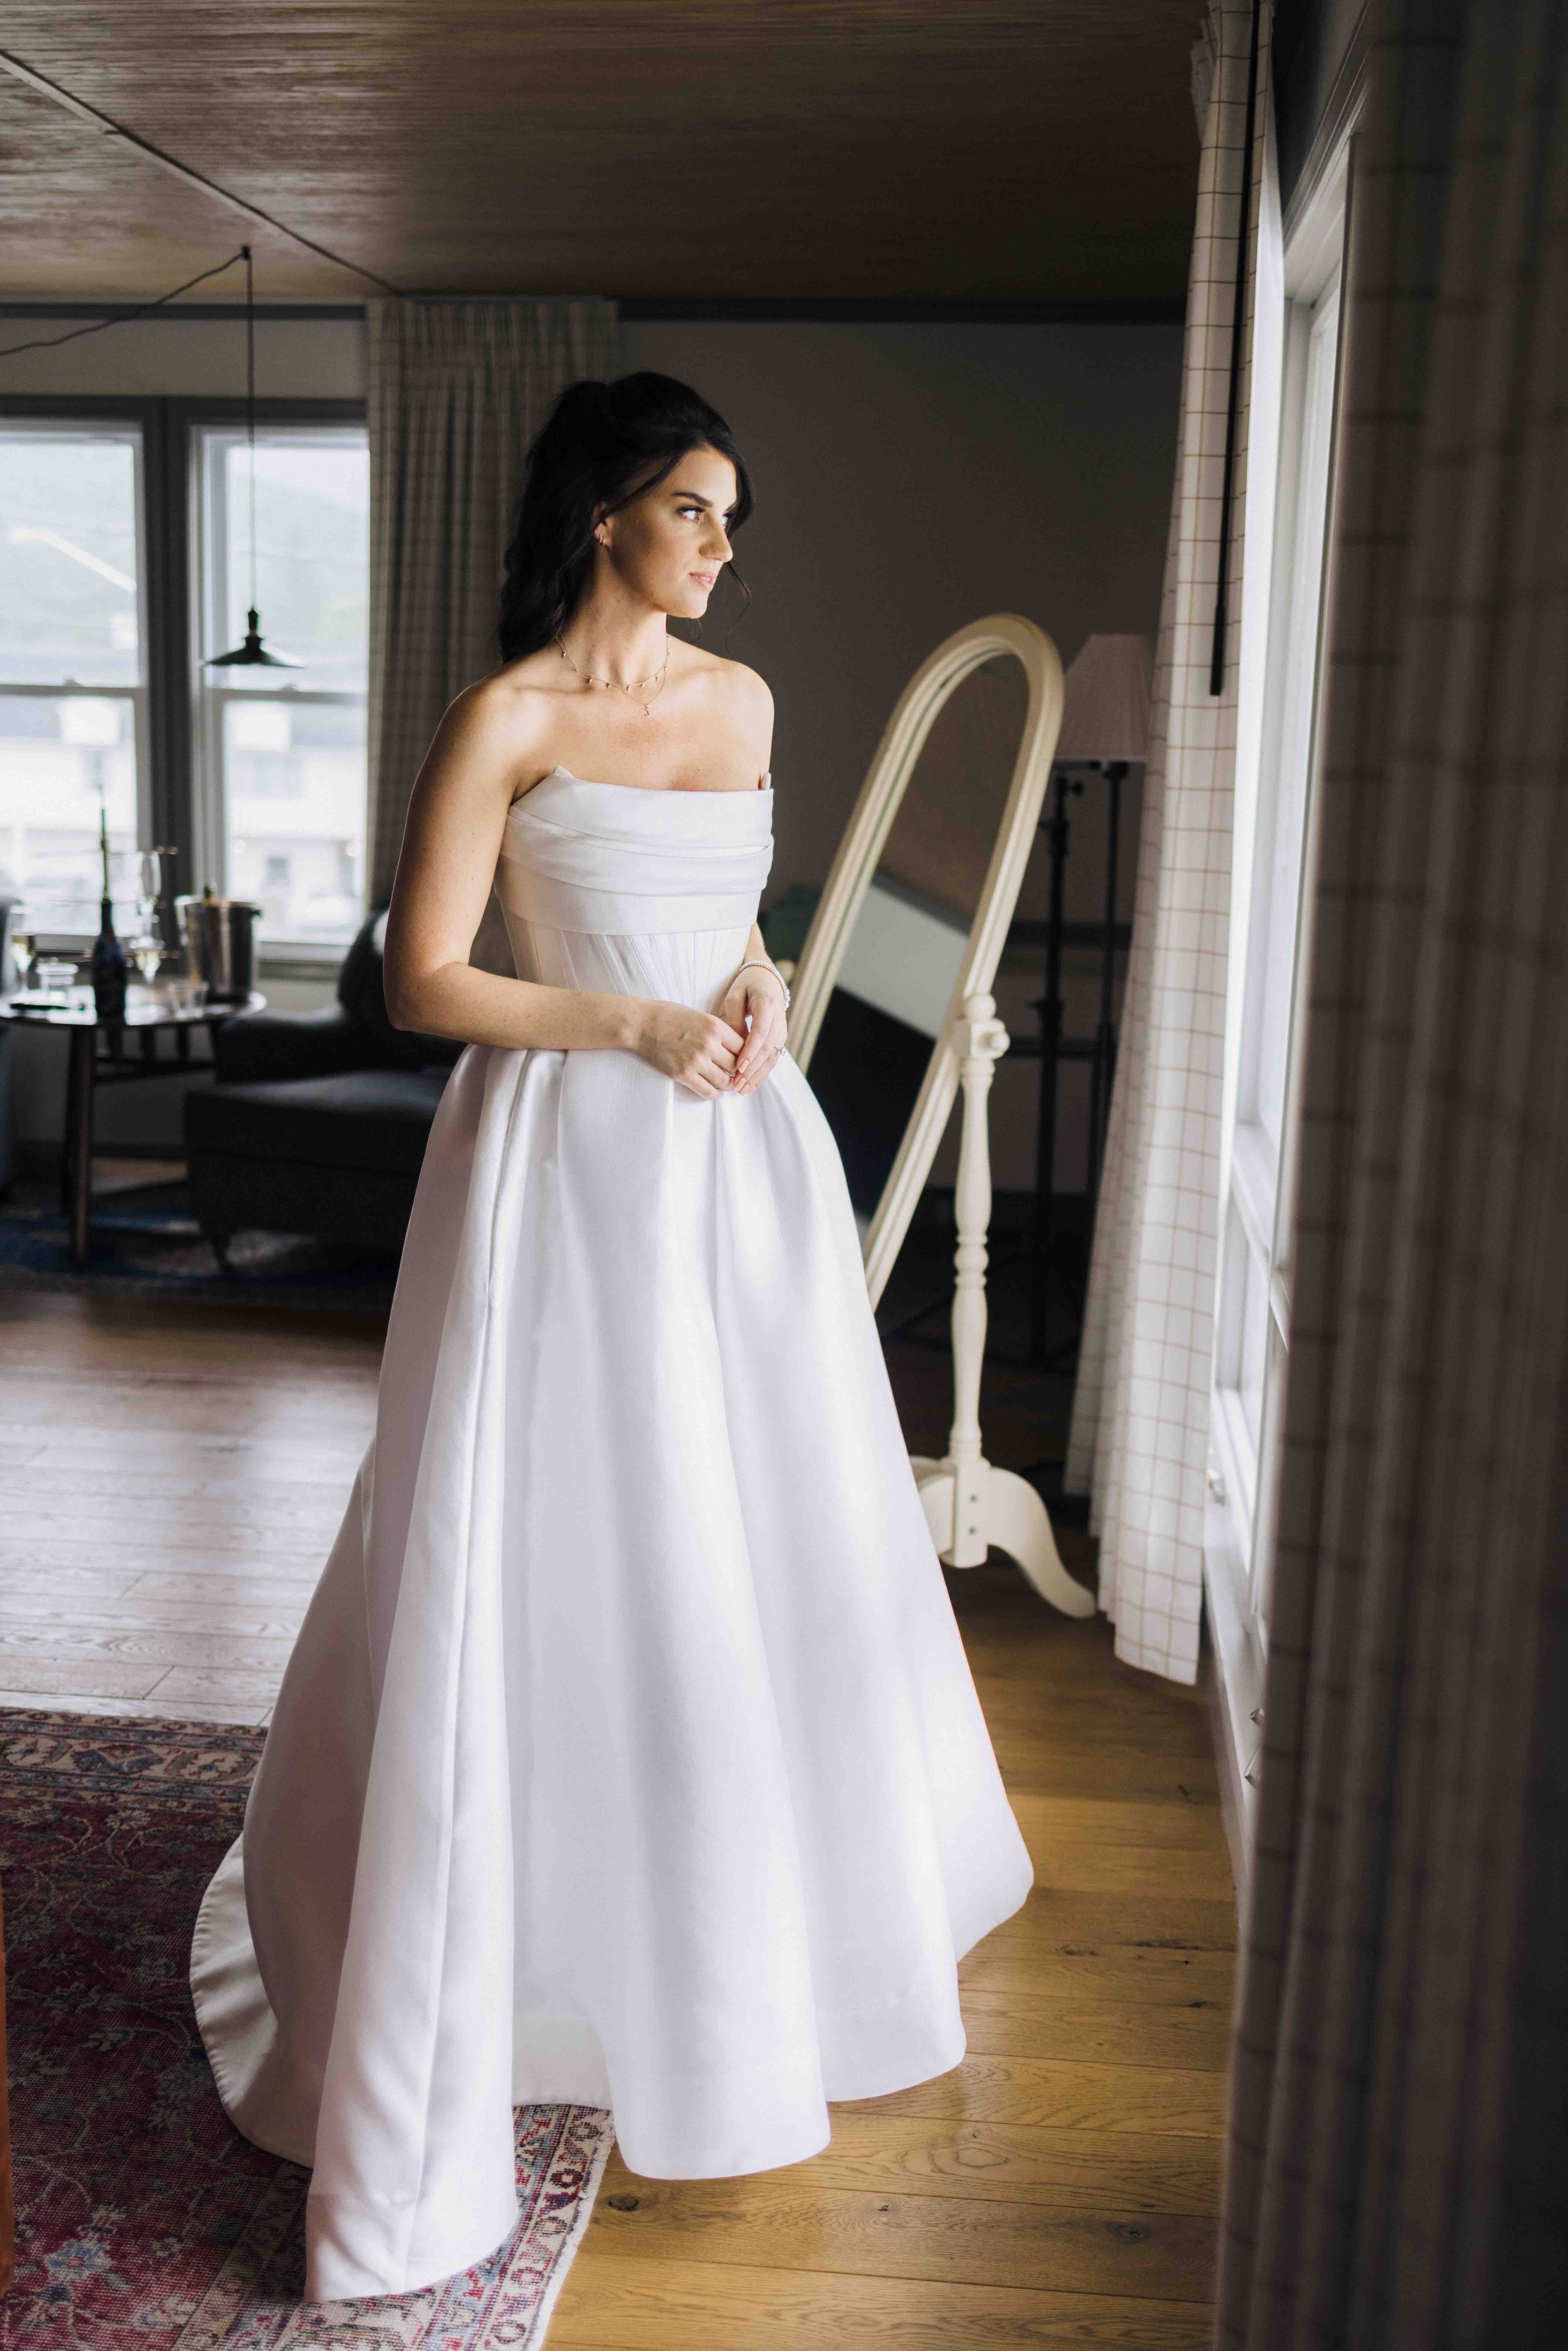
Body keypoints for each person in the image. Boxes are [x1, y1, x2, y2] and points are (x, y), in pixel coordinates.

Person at [190, 371, 1034, 2302]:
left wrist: (756, 997)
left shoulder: (743, 704)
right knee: (554, 1527)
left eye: (734, 515)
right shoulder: (504, 720)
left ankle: (751, 1934)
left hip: (738, 1162)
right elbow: (424, 981)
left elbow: (735, 930)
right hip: (561, 1158)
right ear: (606, 515)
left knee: (753, 1523)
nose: (724, 546)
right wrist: (637, 1025)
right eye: (694, 510)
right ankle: (506, 1916)